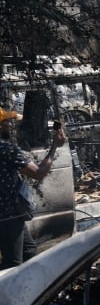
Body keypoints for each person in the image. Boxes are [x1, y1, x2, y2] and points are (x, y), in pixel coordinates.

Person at [0, 108, 67, 270]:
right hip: (8, 215)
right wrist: (54, 147)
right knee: (12, 263)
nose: (10, 125)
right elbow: (38, 173)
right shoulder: (6, 150)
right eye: (5, 122)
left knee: (29, 251)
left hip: (10, 214)